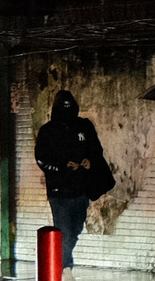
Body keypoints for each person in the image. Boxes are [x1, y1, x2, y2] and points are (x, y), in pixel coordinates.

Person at [33, 90, 108, 267]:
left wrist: (90, 161)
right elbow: (41, 158)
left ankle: (62, 261)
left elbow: (96, 149)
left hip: (80, 189)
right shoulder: (47, 131)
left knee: (75, 230)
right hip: (58, 191)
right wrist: (62, 166)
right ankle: (65, 267)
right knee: (64, 231)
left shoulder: (84, 126)